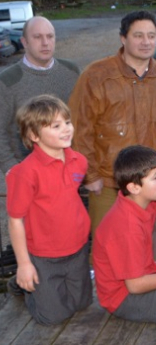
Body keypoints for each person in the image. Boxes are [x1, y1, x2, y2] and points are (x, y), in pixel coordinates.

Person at [68, 10, 156, 236]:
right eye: (138, 35)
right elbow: (79, 127)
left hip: (153, 181)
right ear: (123, 38)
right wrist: (90, 175)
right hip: (109, 180)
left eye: (151, 36)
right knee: (109, 243)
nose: (146, 42)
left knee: (152, 243)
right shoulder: (97, 76)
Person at [6, 95, 93, 324]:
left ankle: (42, 285)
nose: (66, 130)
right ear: (34, 135)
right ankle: (22, 282)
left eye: (67, 122)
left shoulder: (79, 162)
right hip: (43, 253)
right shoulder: (24, 174)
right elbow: (15, 220)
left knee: (82, 304)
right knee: (53, 317)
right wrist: (24, 264)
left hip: (78, 246)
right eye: (56, 126)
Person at [92, 145, 156, 324]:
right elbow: (135, 285)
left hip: (149, 274)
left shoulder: (148, 201)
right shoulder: (126, 227)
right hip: (125, 298)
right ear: (134, 187)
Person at [0, 16, 80, 173]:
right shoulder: (7, 80)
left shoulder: (71, 71)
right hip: (29, 174)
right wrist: (12, 168)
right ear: (24, 42)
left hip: (70, 171)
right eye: (37, 37)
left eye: (50, 36)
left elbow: (84, 119)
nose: (45, 42)